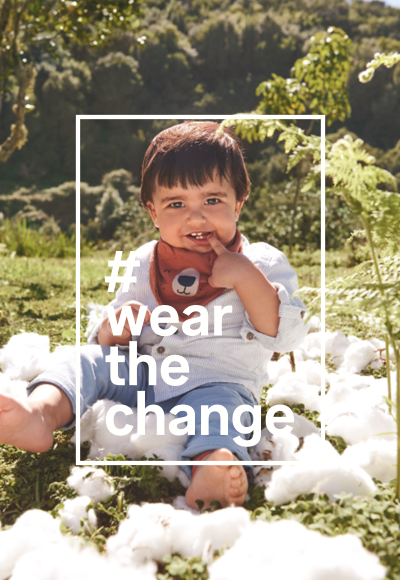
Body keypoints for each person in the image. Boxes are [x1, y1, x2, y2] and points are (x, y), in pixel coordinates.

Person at [0, 121, 308, 509]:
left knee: (221, 414)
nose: (196, 218)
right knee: (83, 360)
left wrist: (247, 279)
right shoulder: (143, 262)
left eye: (212, 200)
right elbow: (110, 340)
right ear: (153, 212)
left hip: (219, 382)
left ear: (239, 202)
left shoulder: (262, 262)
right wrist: (117, 329)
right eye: (176, 204)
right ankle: (42, 413)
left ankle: (214, 463)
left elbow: (285, 337)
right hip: (145, 375)